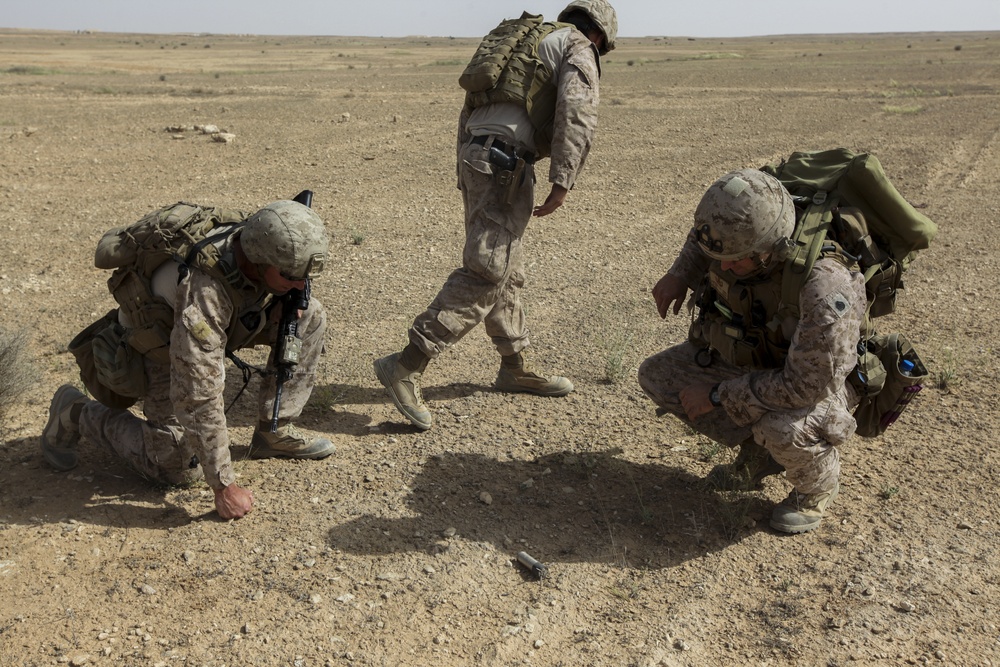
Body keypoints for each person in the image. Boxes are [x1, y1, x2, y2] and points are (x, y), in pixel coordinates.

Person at [374, 0, 618, 430]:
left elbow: (470, 105)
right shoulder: (579, 47)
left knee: (506, 267)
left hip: (478, 157)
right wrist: (563, 180)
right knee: (487, 271)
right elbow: (577, 113)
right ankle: (406, 365)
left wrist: (464, 168)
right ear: (600, 36)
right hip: (505, 166)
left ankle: (513, 366)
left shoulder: (526, 44)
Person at [41, 200, 334, 520]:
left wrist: (290, 292)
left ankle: (273, 429)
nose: (301, 284)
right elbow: (198, 394)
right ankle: (75, 411)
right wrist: (223, 485)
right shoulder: (205, 292)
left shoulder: (263, 248)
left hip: (232, 314)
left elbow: (290, 283)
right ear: (259, 261)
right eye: (292, 275)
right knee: (177, 465)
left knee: (309, 316)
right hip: (159, 345)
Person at [638, 169, 867, 534]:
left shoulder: (824, 288)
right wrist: (680, 273)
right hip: (762, 358)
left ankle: (816, 486)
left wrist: (717, 395)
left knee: (781, 427)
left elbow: (806, 385)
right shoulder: (738, 235)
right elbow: (705, 242)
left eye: (736, 260)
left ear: (771, 248)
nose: (724, 267)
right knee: (659, 377)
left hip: (816, 382)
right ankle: (760, 457)